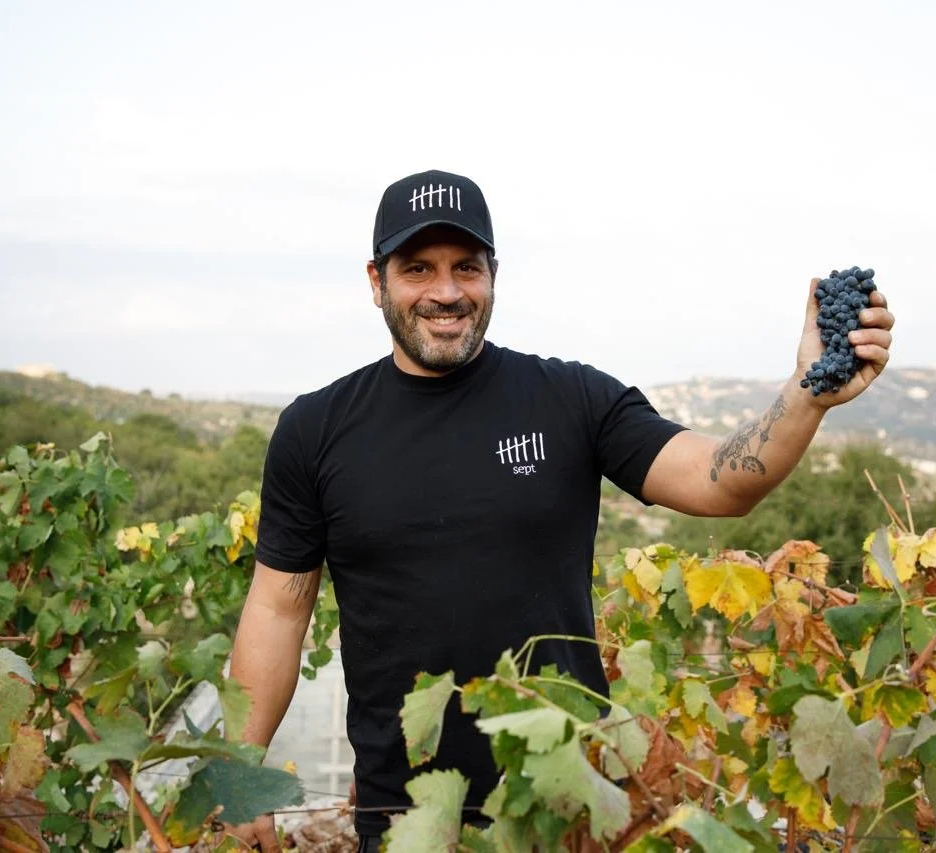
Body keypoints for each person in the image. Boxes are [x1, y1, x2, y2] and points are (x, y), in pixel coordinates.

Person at [223, 169, 895, 850]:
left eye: (467, 267)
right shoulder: (316, 430)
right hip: (410, 822)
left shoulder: (570, 398)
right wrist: (240, 771)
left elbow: (721, 480)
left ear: (494, 274)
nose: (447, 291)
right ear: (377, 281)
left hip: (565, 809)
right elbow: (278, 610)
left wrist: (806, 393)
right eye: (417, 268)